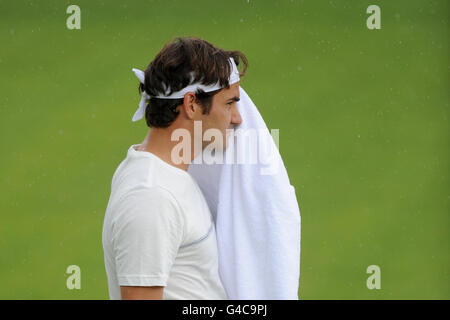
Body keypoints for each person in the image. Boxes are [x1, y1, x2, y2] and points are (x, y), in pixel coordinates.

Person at [102, 36, 248, 300]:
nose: (237, 118)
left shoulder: (165, 177)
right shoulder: (152, 195)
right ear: (192, 104)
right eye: (230, 103)